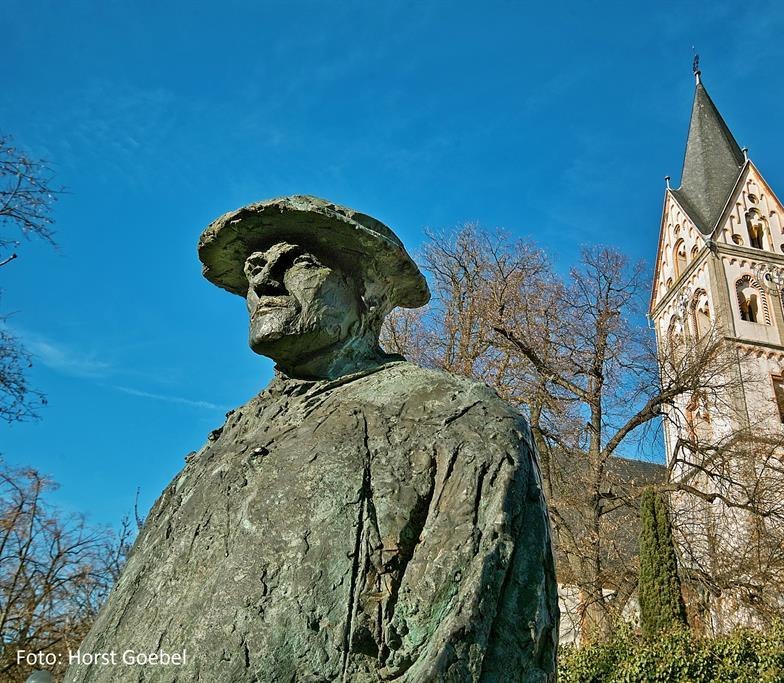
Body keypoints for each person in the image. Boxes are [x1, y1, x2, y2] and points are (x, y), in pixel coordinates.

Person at [67, 196, 558, 682]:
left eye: (298, 261)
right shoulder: (216, 452)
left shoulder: (459, 423)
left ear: (369, 290)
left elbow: (471, 643)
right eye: (254, 265)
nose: (261, 281)